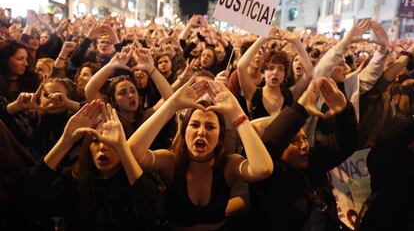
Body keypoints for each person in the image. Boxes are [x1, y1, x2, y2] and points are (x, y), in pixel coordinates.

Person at [128, 78, 273, 230]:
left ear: (219, 136)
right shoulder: (170, 162)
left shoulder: (229, 165)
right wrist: (171, 105)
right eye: (194, 125)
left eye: (210, 127)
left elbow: (263, 168)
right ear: (184, 131)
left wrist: (237, 113)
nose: (202, 132)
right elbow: (132, 152)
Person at [14, 101, 163, 230]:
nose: (103, 146)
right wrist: (65, 142)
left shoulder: (137, 177)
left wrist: (123, 149)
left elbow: (151, 214)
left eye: (111, 142)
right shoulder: (74, 177)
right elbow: (29, 200)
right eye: (96, 140)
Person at [248, 77, 358, 230]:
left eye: (305, 138)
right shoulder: (267, 178)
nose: (305, 145)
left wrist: (344, 110)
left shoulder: (312, 163)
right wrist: (300, 109)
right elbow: (269, 145)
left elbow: (346, 143)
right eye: (294, 141)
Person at [237, 28, 313, 120]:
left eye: (280, 69)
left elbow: (309, 74)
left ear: (285, 75)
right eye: (270, 68)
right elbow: (241, 67)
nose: (275, 72)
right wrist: (262, 39)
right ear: (263, 72)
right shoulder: (253, 93)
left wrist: (297, 42)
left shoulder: (289, 95)